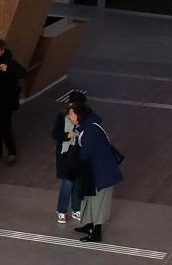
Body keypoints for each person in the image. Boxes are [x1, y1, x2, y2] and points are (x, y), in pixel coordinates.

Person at [70, 99, 123, 243]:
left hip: (102, 174)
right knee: (90, 198)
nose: (70, 118)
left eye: (72, 115)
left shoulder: (91, 131)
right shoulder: (87, 127)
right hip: (94, 172)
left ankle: (96, 232)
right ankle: (89, 225)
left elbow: (85, 153)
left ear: (80, 116)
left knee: (99, 202)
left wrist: (74, 153)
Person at [53, 90, 86, 225]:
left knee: (78, 181)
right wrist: (69, 135)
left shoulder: (86, 118)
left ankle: (76, 209)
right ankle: (62, 210)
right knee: (68, 182)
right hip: (65, 153)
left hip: (79, 152)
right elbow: (55, 134)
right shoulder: (62, 117)